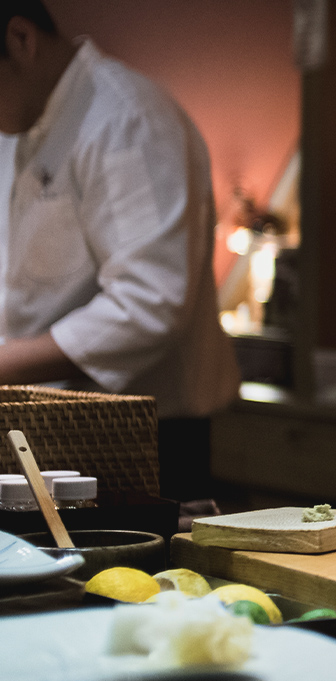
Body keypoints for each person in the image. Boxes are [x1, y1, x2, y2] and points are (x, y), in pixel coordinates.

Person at [0, 1, 240, 500]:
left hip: (146, 438)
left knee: (131, 579)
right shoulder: (30, 121)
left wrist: (4, 363)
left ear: (21, 40)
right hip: (53, 426)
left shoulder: (124, 118)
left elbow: (148, 303)